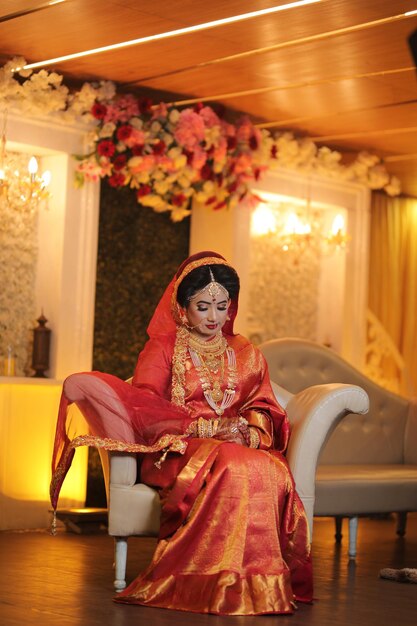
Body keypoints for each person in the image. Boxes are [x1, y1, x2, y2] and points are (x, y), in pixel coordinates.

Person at [50, 251, 313, 615]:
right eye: (203, 306)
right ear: (182, 307)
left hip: (235, 446)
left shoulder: (247, 353)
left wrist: (247, 432)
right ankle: (209, 582)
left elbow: (264, 407)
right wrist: (202, 428)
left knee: (270, 469)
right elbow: (144, 409)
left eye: (222, 306)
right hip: (177, 450)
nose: (213, 317)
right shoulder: (163, 348)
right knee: (235, 464)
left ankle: (258, 584)